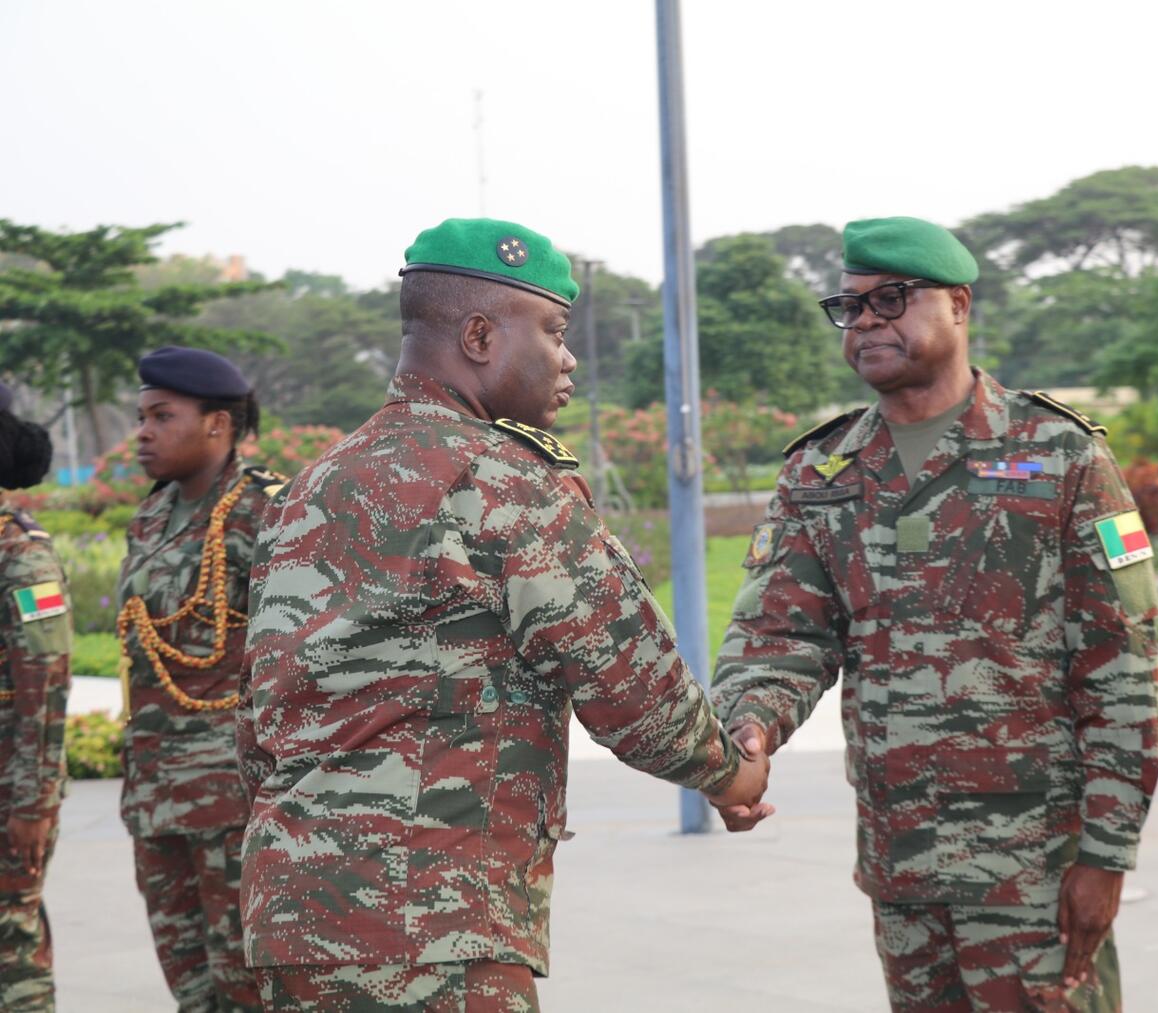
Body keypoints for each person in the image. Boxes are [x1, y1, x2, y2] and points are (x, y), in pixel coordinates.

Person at [236, 218, 768, 1012]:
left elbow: (259, 717)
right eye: (554, 330)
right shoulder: (506, 484)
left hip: (292, 921)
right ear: (480, 336)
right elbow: (632, 687)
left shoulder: (309, 488)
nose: (568, 358)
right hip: (433, 924)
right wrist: (731, 772)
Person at [709, 217, 1158, 1011]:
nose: (866, 322)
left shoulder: (1060, 453)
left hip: (1034, 868)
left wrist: (1107, 853)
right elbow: (780, 635)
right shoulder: (822, 471)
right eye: (850, 306)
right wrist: (746, 728)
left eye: (890, 299)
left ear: (958, 304)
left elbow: (1121, 667)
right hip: (902, 861)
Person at [116, 348, 280, 1011]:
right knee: (190, 984)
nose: (143, 433)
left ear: (218, 424)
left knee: (249, 983)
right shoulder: (152, 516)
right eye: (141, 418)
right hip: (156, 792)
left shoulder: (266, 511)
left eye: (162, 416)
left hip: (233, 799)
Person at [0, 382, 70, 1013]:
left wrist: (32, 807)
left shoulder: (24, 559)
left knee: (10, 957)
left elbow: (44, 690)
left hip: (9, 796)